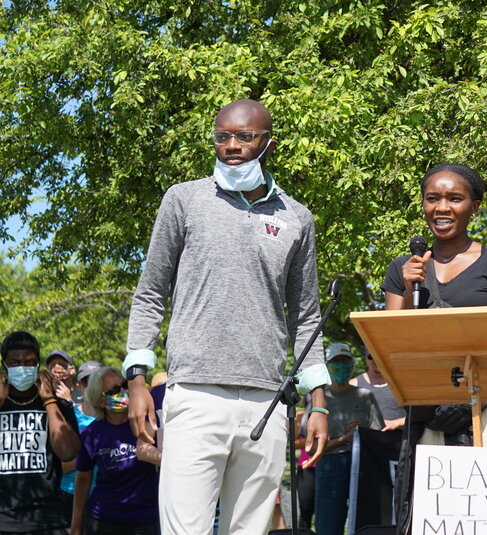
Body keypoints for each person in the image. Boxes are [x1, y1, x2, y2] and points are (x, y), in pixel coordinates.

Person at [124, 98, 330, 534]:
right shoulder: (184, 199)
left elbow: (307, 317)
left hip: (267, 402)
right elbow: (150, 293)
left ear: (269, 143)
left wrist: (318, 402)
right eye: (222, 137)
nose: (231, 146)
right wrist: (137, 378)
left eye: (244, 136)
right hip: (195, 393)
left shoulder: (297, 218)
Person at [381, 163, 487, 530]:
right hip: (427, 421)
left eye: (455, 198)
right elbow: (393, 349)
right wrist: (407, 290)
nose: (442, 208)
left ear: (475, 207)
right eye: (432, 198)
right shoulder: (403, 269)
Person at [0, 331, 80, 534]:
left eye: (29, 363)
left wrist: (49, 400)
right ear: (4, 367)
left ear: (38, 367)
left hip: (48, 520)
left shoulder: (59, 406)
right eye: (15, 363)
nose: (23, 368)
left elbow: (68, 452)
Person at [70, 367, 159, 534]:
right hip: (103, 522)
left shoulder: (146, 425)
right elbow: (83, 479)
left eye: (125, 385)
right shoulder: (91, 434)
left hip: (146, 520)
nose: (124, 391)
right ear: (101, 401)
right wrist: (76, 525)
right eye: (115, 390)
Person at [315, 343, 384, 535]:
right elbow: (311, 448)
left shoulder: (365, 396)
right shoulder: (320, 400)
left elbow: (378, 436)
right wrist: (343, 439)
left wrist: (362, 433)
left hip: (361, 466)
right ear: (327, 366)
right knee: (328, 525)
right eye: (335, 362)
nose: (341, 367)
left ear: (352, 364)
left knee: (365, 524)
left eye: (345, 361)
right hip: (329, 465)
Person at [60, 360, 102, 525]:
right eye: (87, 381)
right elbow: (58, 467)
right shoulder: (68, 416)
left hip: (104, 495)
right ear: (79, 386)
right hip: (70, 493)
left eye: (97, 381)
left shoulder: (116, 418)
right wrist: (88, 459)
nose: (92, 386)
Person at [349, 348, 406, 430]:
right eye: (371, 356)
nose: (377, 359)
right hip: (365, 441)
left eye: (381, 355)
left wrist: (395, 423)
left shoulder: (403, 384)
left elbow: (418, 418)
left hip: (398, 440)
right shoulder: (353, 385)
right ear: (365, 359)